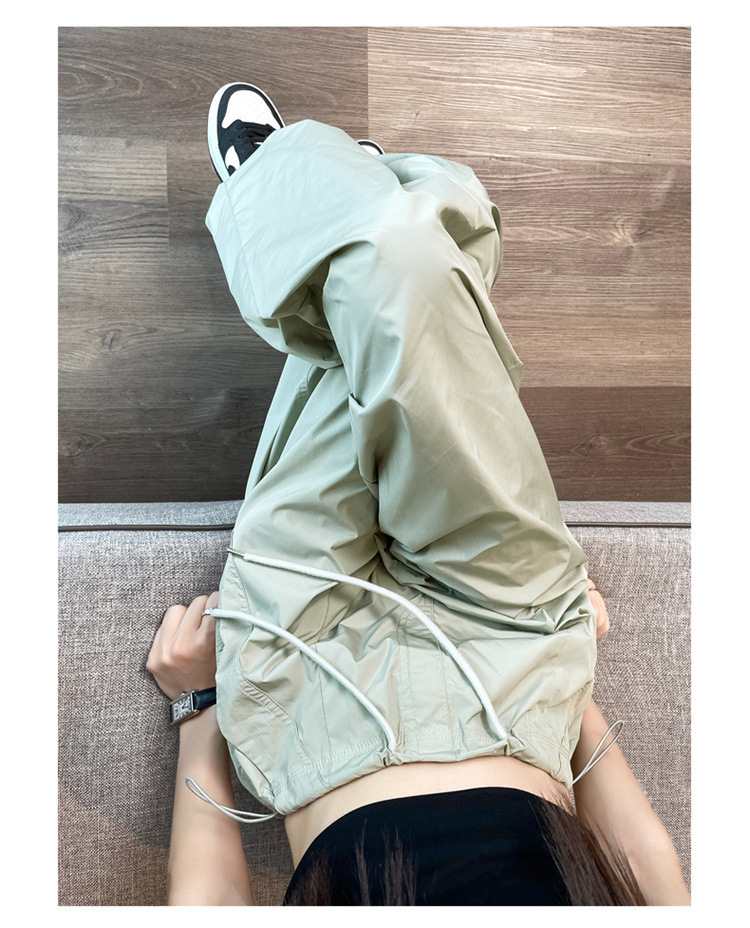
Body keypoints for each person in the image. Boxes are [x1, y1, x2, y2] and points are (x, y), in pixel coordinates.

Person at [146, 82, 691, 906]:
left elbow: (210, 905)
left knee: (385, 308)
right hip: (514, 655)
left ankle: (335, 192)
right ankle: (310, 192)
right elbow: (646, 874)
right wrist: (572, 676)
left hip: (307, 686)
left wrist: (199, 708)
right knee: (404, 275)